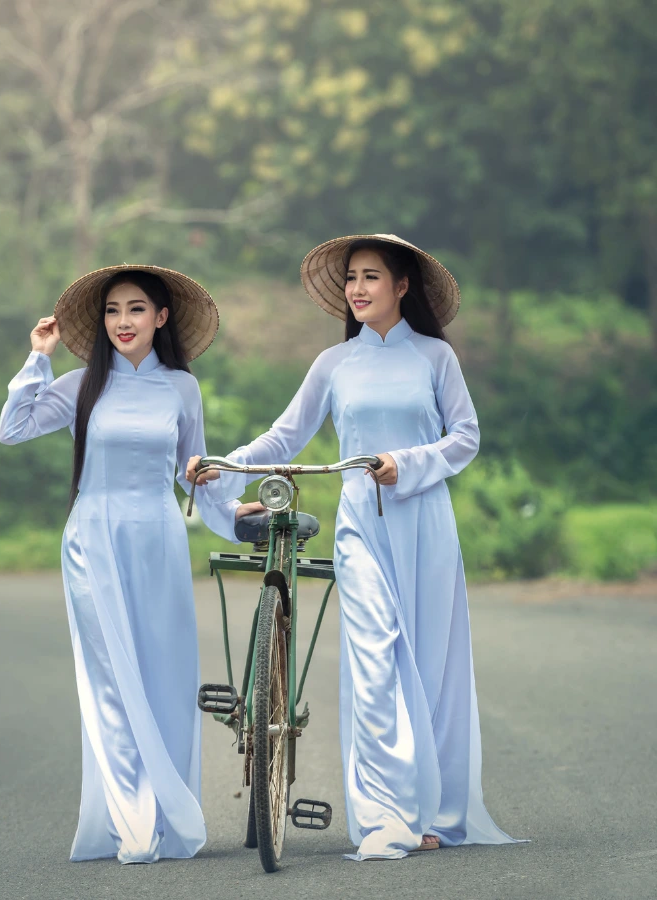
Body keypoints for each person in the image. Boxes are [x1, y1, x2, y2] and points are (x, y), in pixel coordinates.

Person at [187, 234, 519, 861]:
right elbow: (284, 437)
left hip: (425, 524)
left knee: (431, 664)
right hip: (361, 523)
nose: (358, 288)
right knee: (373, 660)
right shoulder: (334, 364)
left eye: (372, 276)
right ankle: (385, 814)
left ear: (402, 286)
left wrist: (408, 462)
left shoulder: (435, 358)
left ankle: (433, 812)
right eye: (351, 278)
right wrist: (225, 467)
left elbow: (466, 437)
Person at [0, 264, 245, 864]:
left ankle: (164, 813)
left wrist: (237, 514)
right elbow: (14, 428)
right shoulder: (83, 385)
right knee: (110, 680)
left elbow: (194, 473)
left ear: (161, 317)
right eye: (112, 310)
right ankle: (129, 821)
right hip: (93, 541)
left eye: (136, 309)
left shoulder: (181, 389)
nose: (123, 321)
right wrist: (38, 359)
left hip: (159, 539)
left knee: (164, 677)